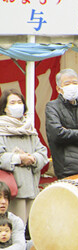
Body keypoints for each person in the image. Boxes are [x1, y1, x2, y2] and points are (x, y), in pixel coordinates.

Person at [0, 90, 48, 222]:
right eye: (12, 102)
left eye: (20, 102)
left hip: (32, 188)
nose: (17, 105)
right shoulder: (1, 129)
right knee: (13, 228)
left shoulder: (29, 129)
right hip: (13, 190)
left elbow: (42, 153)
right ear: (5, 108)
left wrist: (32, 159)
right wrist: (18, 158)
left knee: (32, 228)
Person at [45, 68, 78, 179]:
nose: (71, 86)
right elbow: (58, 134)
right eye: (67, 83)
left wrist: (71, 139)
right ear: (59, 89)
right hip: (66, 169)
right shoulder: (52, 107)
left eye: (74, 83)